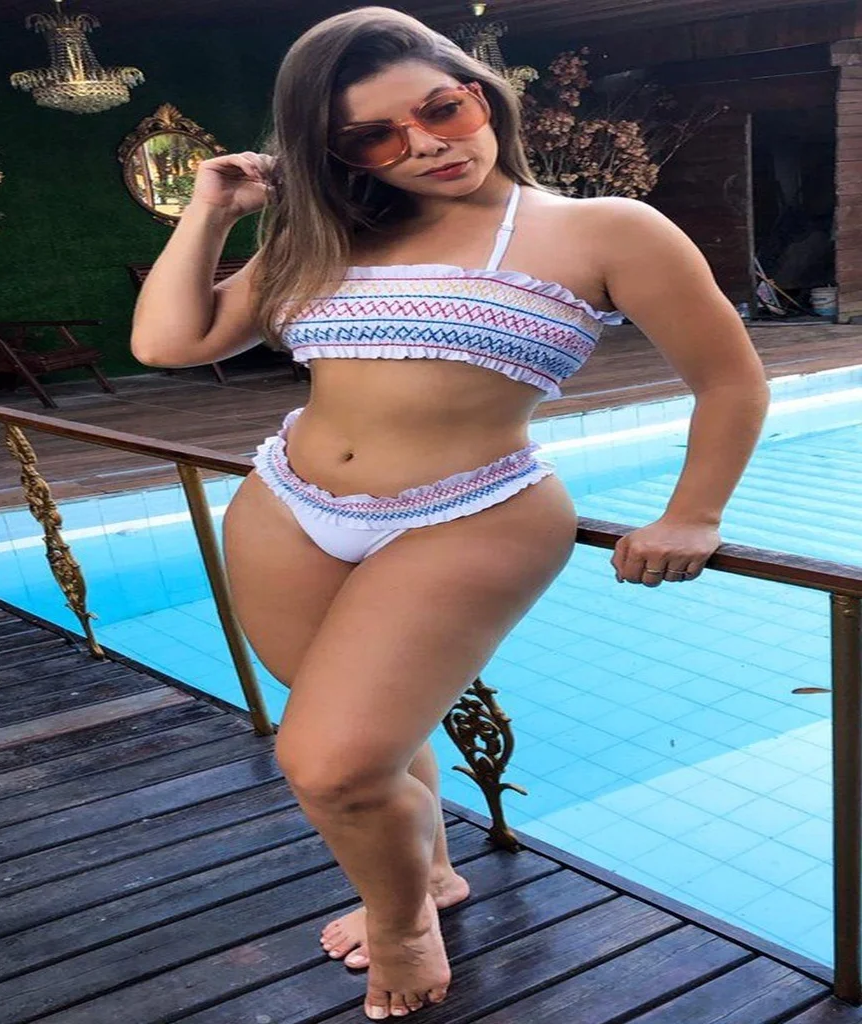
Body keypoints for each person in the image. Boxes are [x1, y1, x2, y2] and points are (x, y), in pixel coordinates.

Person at [131, 8, 770, 1019]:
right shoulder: (328, 231)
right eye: (374, 136)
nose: (424, 144)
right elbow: (172, 343)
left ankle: (399, 923)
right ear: (336, 154)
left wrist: (692, 512)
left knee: (329, 764)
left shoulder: (604, 230)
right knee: (367, 740)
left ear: (482, 94)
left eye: (441, 108)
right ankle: (426, 872)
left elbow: (729, 380)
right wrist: (212, 210)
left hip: (472, 514)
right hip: (288, 503)